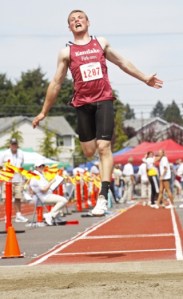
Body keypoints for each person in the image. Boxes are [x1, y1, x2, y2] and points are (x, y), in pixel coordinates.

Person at [32, 9, 163, 216]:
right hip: (82, 104)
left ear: (88, 22)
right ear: (69, 27)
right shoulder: (66, 52)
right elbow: (56, 82)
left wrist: (144, 77)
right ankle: (101, 183)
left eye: (80, 18)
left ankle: (103, 196)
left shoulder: (100, 43)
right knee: (89, 151)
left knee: (104, 147)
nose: (77, 21)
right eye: (72, 20)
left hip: (104, 100)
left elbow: (122, 62)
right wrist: (43, 112)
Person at [29, 161, 68, 225]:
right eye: (40, 166)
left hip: (45, 195)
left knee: (59, 201)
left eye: (43, 166)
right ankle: (50, 215)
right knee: (63, 200)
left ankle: (56, 217)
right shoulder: (36, 176)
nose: (42, 167)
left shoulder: (41, 174)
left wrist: (57, 182)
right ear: (36, 167)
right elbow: (44, 190)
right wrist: (52, 182)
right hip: (43, 197)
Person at [0, 138, 28, 222]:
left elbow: (21, 164)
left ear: (17, 145)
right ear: (10, 145)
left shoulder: (21, 153)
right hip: (8, 179)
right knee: (6, 198)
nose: (14, 146)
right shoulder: (4, 154)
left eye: (15, 144)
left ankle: (18, 215)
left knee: (18, 197)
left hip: (18, 178)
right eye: (12, 144)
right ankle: (7, 215)